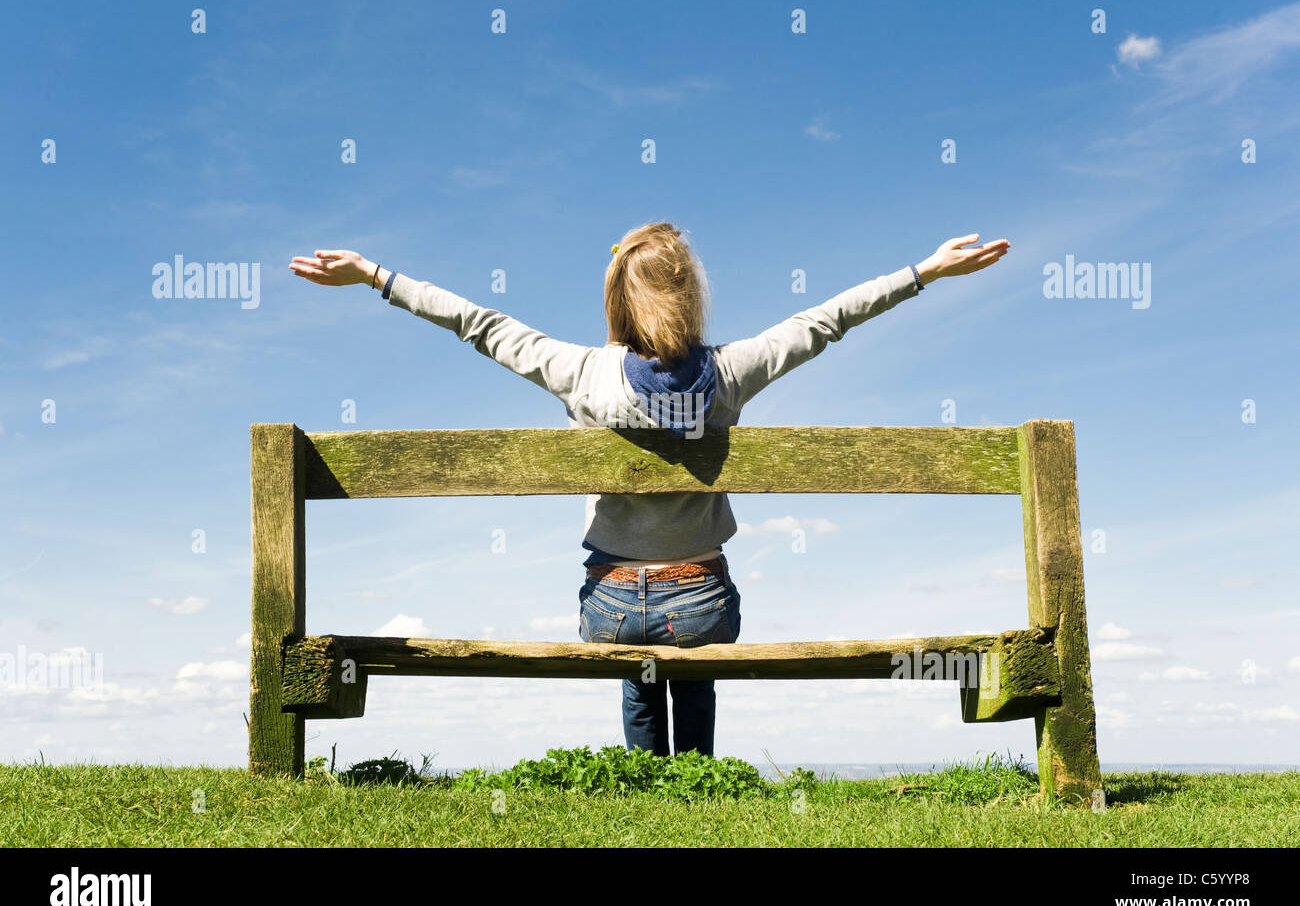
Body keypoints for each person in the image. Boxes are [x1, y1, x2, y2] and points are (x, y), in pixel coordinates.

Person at [289, 222, 1009, 757]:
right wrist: (925, 272)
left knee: (637, 674)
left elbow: (478, 324)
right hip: (699, 601)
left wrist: (377, 276)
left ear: (617, 302)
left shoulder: (578, 372)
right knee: (693, 673)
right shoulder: (733, 372)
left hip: (608, 609)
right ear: (689, 299)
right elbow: (823, 322)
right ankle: (694, 780)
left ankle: (646, 778)